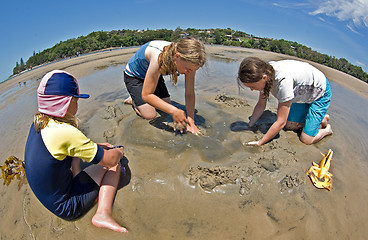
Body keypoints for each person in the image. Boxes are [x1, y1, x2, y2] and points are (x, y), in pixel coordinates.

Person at [24, 70, 128, 233]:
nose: (77, 104)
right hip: (66, 206)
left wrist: (97, 147)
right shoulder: (64, 132)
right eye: (76, 99)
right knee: (115, 165)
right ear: (67, 102)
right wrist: (119, 151)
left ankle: (78, 173)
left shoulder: (40, 122)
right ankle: (103, 213)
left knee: (94, 154)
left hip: (50, 196)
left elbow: (68, 147)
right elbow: (109, 160)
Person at [237, 57, 332, 146]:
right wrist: (250, 125)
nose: (252, 90)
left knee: (306, 139)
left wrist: (260, 142)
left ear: (264, 77)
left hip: (319, 92)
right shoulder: (262, 72)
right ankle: (320, 119)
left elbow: (280, 122)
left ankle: (327, 129)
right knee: (289, 126)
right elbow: (261, 105)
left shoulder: (283, 82)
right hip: (301, 94)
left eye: (252, 87)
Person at [123, 37, 206, 135]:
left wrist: (191, 120)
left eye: (193, 70)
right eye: (187, 69)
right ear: (177, 56)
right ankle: (133, 100)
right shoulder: (159, 56)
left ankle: (145, 95)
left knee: (166, 104)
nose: (189, 73)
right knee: (150, 114)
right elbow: (146, 95)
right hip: (135, 76)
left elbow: (189, 93)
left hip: (155, 75)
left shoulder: (190, 63)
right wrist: (174, 110)